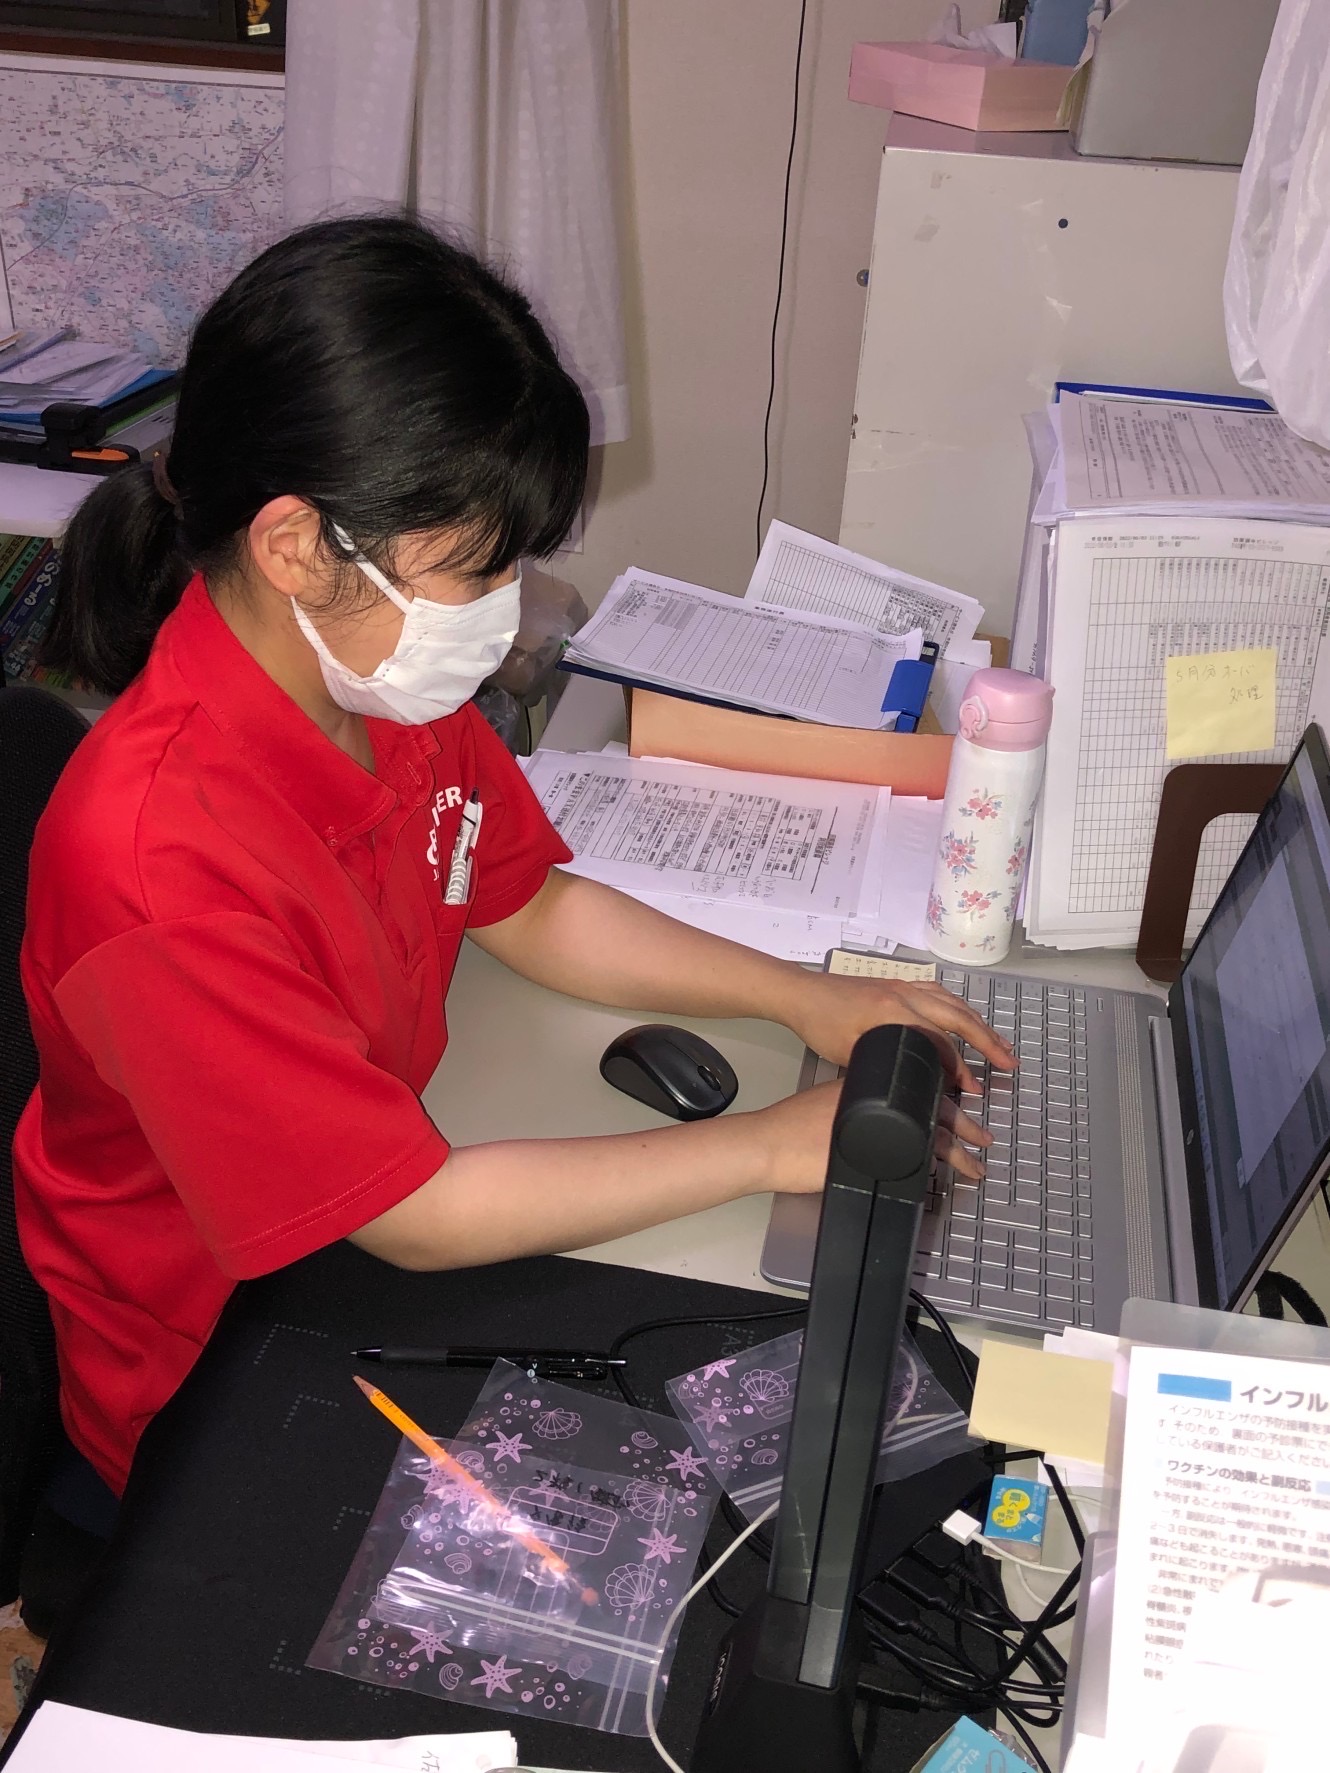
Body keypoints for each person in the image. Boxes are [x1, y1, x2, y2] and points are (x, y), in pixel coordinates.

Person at [14, 217, 1012, 1502]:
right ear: (296, 546)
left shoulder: (376, 691)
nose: (502, 607)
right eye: (474, 568)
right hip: (226, 1347)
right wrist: (771, 1147)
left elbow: (528, 905)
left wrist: (802, 995)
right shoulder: (160, 866)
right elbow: (413, 1215)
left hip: (376, 1193)